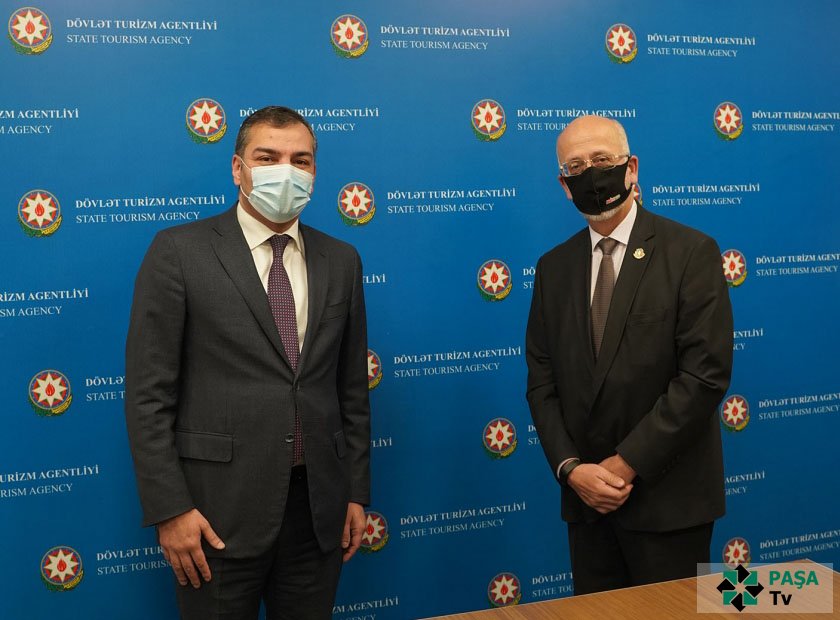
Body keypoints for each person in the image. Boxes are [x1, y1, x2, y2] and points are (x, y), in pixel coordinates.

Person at [125, 106, 371, 619]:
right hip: (213, 515)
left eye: (300, 160)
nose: (286, 171)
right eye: (267, 157)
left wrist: (354, 492)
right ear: (238, 169)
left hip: (317, 512)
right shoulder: (179, 251)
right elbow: (149, 396)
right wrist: (171, 509)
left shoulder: (341, 259)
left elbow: (350, 389)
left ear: (315, 172)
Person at [526, 115, 733, 595]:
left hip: (669, 505)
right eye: (575, 167)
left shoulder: (690, 252)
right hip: (587, 506)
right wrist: (572, 470)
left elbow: (703, 377)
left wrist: (623, 466)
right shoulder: (553, 268)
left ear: (632, 168)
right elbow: (541, 380)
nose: (591, 174)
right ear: (564, 186)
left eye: (602, 160)